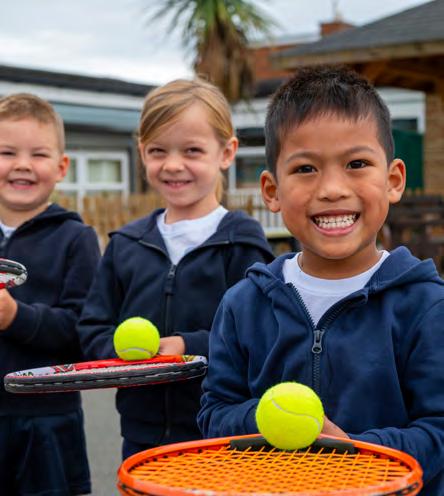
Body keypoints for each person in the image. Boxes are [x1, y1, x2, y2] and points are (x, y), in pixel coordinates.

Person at [197, 66, 444, 494]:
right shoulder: (243, 303)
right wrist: (265, 421)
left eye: (356, 164)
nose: (331, 188)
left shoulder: (427, 306)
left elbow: (438, 430)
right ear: (272, 191)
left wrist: (354, 455)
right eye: (306, 168)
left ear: (393, 181)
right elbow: (214, 414)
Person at [77, 78, 274, 460]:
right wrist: (121, 353)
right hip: (141, 437)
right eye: (157, 151)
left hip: (221, 439)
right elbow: (92, 329)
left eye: (192, 150)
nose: (172, 165)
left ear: (227, 152)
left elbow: (261, 335)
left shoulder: (243, 243)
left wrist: (187, 347)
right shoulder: (125, 245)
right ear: (141, 152)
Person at [0, 93, 101, 495]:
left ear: (61, 167)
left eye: (38, 154)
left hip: (48, 420)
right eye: (7, 153)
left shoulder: (76, 238)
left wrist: (16, 317)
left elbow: (83, 331)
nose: (22, 164)